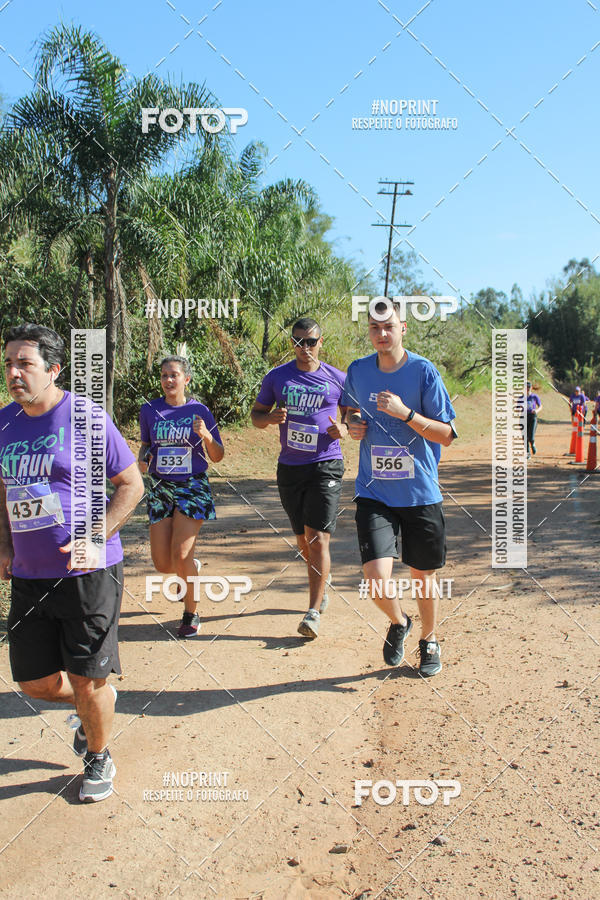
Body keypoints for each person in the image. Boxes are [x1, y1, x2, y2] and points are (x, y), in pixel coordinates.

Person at [0, 323, 143, 802]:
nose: (15, 373)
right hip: (29, 574)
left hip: (88, 573)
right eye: (9, 364)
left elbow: (130, 484)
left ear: (54, 369)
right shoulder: (4, 423)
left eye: (25, 363)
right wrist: (4, 545)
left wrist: (96, 533)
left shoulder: (84, 417)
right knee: (34, 682)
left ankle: (98, 754)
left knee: (86, 676)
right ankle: (93, 705)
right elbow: (3, 492)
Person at [342, 301, 457, 677]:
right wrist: (353, 423)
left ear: (403, 327)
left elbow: (447, 434)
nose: (382, 334)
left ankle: (430, 640)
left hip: (420, 493)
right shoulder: (358, 370)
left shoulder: (423, 372)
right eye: (375, 329)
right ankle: (399, 622)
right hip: (374, 491)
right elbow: (348, 410)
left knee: (423, 576)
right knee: (375, 579)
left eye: (388, 327)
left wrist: (405, 413)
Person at [251, 318, 347, 639]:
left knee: (318, 537)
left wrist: (344, 429)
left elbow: (353, 415)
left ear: (322, 342)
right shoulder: (276, 378)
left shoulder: (338, 378)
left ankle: (313, 611)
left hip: (326, 464)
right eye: (298, 342)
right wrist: (269, 418)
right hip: (290, 468)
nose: (304, 348)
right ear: (291, 343)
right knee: (304, 540)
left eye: (310, 341)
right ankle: (322, 584)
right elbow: (256, 415)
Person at [138, 355, 224, 638]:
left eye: (174, 375)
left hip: (191, 485)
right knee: (163, 563)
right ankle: (191, 570)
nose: (168, 380)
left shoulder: (199, 411)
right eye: (164, 375)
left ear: (186, 379)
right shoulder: (149, 410)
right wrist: (143, 459)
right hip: (161, 486)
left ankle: (191, 613)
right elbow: (146, 445)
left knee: (182, 553)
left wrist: (207, 437)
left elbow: (218, 456)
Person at [526, 381, 542, 457]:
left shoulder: (534, 397)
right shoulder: (521, 397)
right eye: (526, 387)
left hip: (532, 417)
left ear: (531, 388)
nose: (527, 389)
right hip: (524, 417)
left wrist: (536, 411)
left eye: (529, 387)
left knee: (531, 436)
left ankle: (533, 444)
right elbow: (517, 408)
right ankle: (528, 453)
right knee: (525, 436)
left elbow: (540, 406)